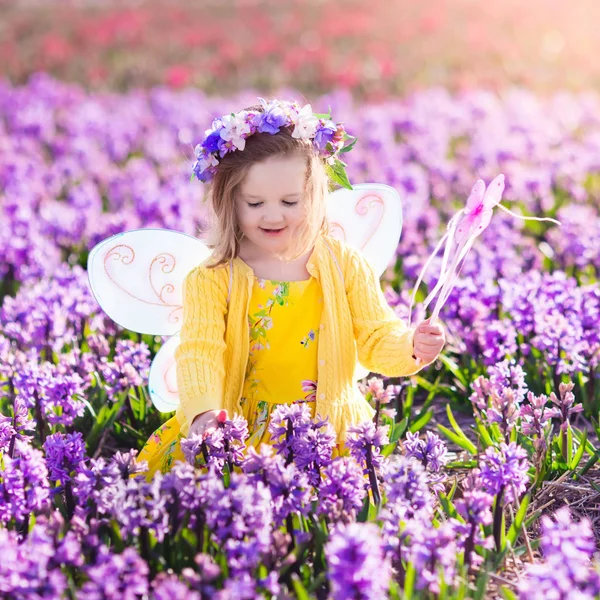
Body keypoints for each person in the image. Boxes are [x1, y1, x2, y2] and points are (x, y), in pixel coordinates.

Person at [137, 98, 445, 477]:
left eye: (289, 201)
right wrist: (204, 412)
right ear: (229, 202)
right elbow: (200, 353)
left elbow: (375, 337)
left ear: (315, 196)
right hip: (237, 428)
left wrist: (410, 346)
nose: (272, 215)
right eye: (254, 203)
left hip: (326, 430)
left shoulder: (345, 264)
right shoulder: (212, 277)